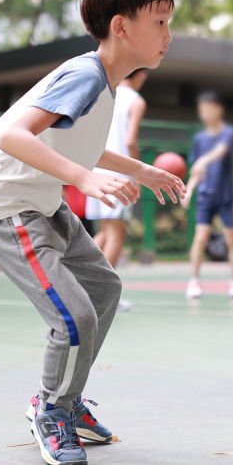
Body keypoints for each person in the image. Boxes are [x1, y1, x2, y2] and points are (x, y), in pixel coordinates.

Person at [0, 0, 183, 465]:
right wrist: (82, 181)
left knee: (103, 289)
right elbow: (12, 136)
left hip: (39, 200)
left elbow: (83, 145)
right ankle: (50, 410)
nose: (169, 36)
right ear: (122, 26)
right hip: (7, 208)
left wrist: (142, 170)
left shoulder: (104, 82)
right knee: (74, 315)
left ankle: (67, 400)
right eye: (161, 22)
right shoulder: (85, 75)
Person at [86, 67, 149, 311]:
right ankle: (102, 296)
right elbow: (131, 141)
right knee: (116, 234)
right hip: (119, 171)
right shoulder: (136, 100)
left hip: (97, 168)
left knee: (104, 232)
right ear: (141, 76)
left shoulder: (106, 95)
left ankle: (78, 277)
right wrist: (137, 172)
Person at [182, 91, 233, 299]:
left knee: (232, 240)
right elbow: (197, 171)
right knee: (200, 238)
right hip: (205, 197)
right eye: (202, 110)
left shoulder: (229, 133)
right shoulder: (199, 139)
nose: (205, 113)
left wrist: (203, 161)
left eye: (208, 109)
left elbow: (221, 151)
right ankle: (194, 281)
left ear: (219, 109)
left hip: (225, 196)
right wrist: (189, 190)